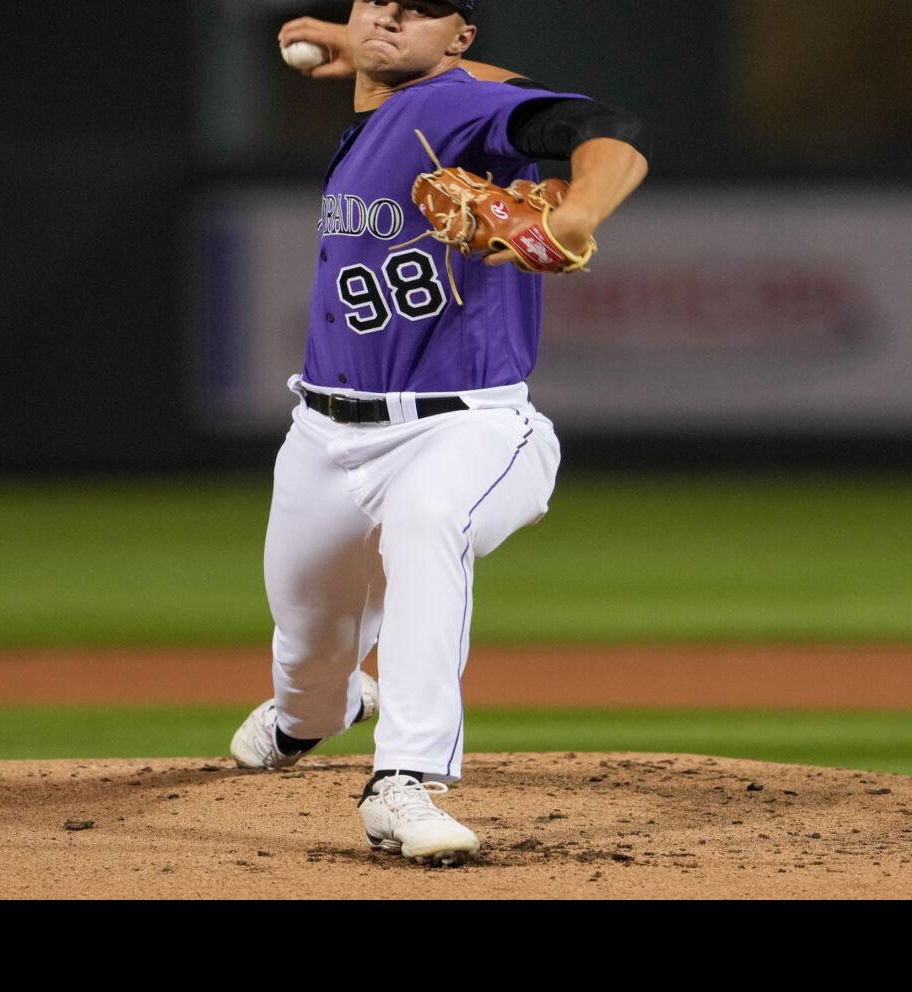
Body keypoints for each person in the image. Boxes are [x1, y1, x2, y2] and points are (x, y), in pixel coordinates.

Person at [229, 0, 649, 867]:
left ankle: (404, 781)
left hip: (467, 427)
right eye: (376, 0)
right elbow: (398, 61)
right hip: (322, 436)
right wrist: (356, 49)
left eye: (419, 9)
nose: (389, 12)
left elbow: (605, 128)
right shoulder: (392, 103)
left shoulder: (452, 109)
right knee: (306, 675)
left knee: (427, 524)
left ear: (460, 38)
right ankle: (322, 712)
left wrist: (579, 213)